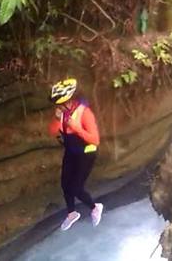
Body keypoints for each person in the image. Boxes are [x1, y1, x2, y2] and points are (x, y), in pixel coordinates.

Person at [47, 78, 104, 230]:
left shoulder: (85, 113)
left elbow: (95, 140)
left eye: (60, 103)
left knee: (76, 188)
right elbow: (52, 131)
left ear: (68, 101)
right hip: (71, 152)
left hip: (86, 154)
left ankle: (94, 207)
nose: (58, 106)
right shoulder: (62, 114)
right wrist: (56, 118)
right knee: (65, 184)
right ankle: (71, 213)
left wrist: (76, 127)